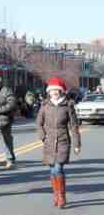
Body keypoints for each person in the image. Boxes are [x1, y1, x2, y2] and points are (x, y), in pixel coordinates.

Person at [37, 77, 81, 209]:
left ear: (61, 92)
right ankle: (55, 193)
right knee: (52, 170)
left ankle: (61, 196)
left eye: (57, 91)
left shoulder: (68, 106)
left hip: (63, 140)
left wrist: (77, 144)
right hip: (49, 141)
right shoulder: (45, 106)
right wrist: (42, 136)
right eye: (52, 91)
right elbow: (39, 123)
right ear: (49, 92)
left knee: (58, 168)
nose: (54, 93)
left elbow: (74, 126)